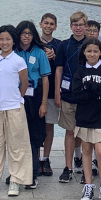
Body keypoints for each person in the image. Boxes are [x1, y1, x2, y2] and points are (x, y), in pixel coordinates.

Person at [0, 25, 33, 196]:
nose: (4, 42)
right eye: (1, 39)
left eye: (8, 39)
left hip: (14, 108)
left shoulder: (18, 60)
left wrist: (17, 98)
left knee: (16, 146)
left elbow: (25, 83)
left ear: (13, 41)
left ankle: (15, 180)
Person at [73, 39, 101, 200]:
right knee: (86, 149)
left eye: (95, 51)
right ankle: (89, 185)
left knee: (100, 150)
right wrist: (96, 91)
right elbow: (77, 95)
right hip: (84, 116)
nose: (92, 54)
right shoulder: (79, 72)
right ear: (84, 52)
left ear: (100, 53)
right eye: (89, 51)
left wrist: (89, 87)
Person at [53, 11, 88, 183]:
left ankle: (85, 167)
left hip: (87, 97)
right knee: (69, 131)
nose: (78, 28)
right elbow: (59, 69)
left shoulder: (91, 44)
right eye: (75, 25)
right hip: (67, 94)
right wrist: (57, 91)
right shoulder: (64, 45)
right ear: (71, 26)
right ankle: (68, 167)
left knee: (84, 133)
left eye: (81, 24)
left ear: (86, 26)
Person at [16, 21, 52, 189]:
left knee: (34, 136)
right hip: (16, 98)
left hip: (35, 98)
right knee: (17, 136)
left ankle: (32, 173)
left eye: (29, 33)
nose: (26, 36)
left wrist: (44, 103)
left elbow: (45, 79)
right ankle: (17, 172)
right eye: (23, 33)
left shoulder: (39, 53)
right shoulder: (13, 52)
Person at [38, 13, 61, 177]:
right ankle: (35, 157)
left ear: (55, 27)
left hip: (52, 89)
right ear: (40, 24)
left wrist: (54, 57)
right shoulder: (34, 43)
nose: (48, 26)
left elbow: (62, 66)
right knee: (35, 125)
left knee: (49, 125)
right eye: (46, 23)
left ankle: (45, 158)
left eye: (51, 24)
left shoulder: (59, 45)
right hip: (36, 90)